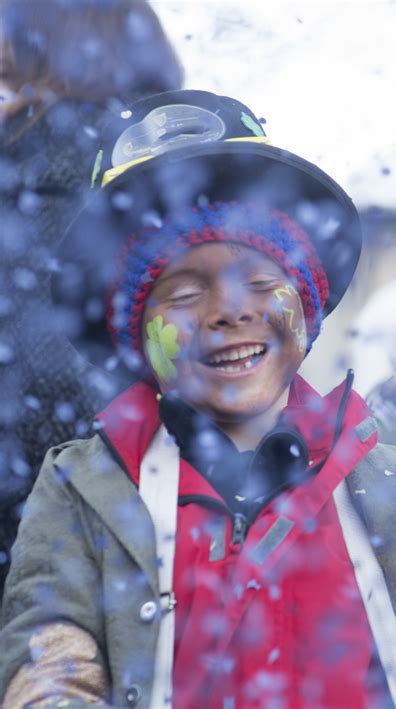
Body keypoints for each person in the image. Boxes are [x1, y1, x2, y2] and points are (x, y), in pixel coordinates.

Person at [0, 90, 396, 708]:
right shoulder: (82, 492)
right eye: (186, 292)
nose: (230, 311)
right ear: (138, 337)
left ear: (304, 306)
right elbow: (50, 675)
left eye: (259, 280)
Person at [0, 0, 183, 599]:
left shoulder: (23, 171)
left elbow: (39, 386)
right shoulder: (193, 174)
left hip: (32, 543)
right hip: (167, 538)